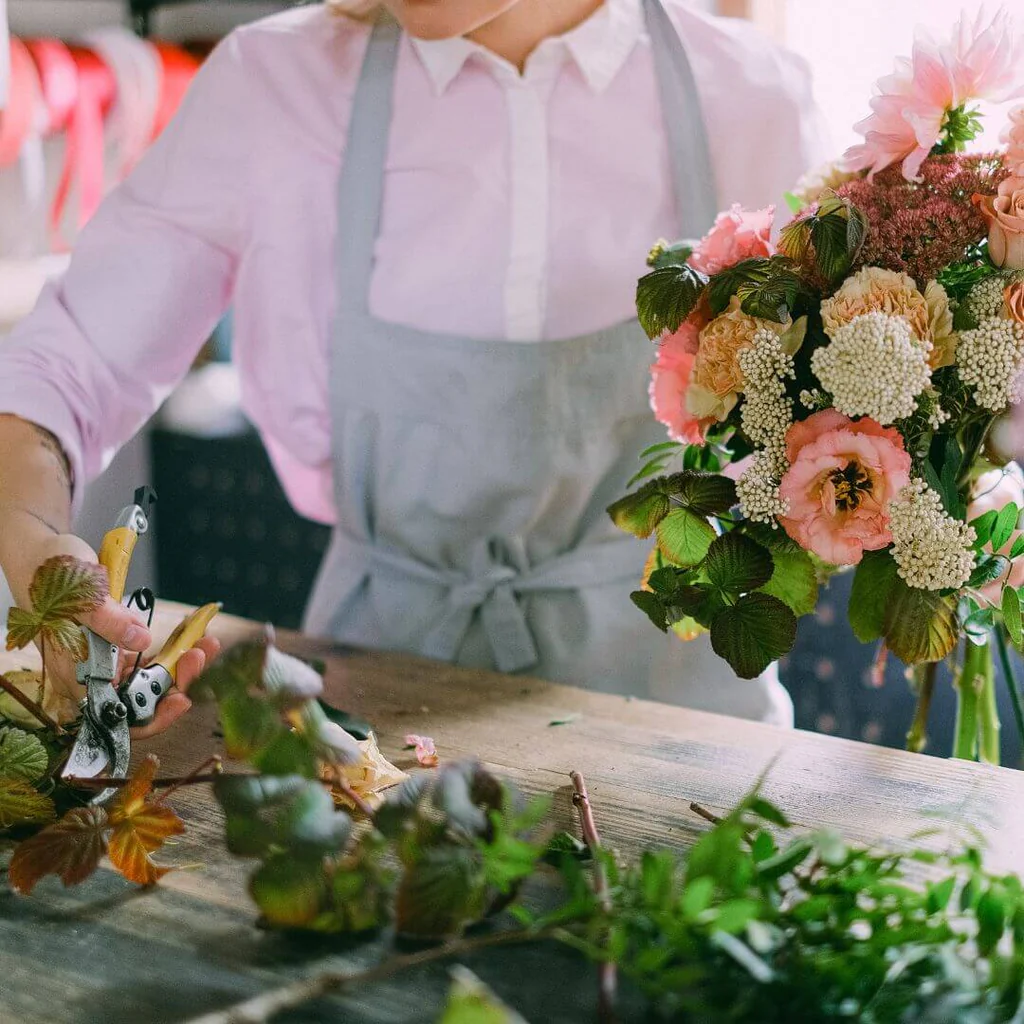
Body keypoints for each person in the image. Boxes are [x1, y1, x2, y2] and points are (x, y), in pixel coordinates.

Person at [0, 0, 827, 738]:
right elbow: (65, 365)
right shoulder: (272, 86)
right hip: (381, 729)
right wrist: (31, 533)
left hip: (694, 734)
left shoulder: (756, 96)